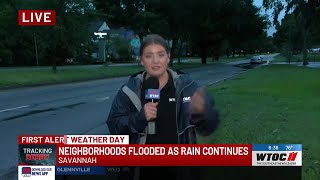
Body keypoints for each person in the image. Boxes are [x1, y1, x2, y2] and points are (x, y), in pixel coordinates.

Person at [106, 34, 219, 180]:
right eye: (149, 56)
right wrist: (139, 118)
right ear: (141, 60)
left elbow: (208, 127)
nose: (155, 61)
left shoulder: (188, 87)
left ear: (168, 57)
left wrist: (204, 113)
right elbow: (114, 127)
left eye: (160, 55)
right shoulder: (129, 91)